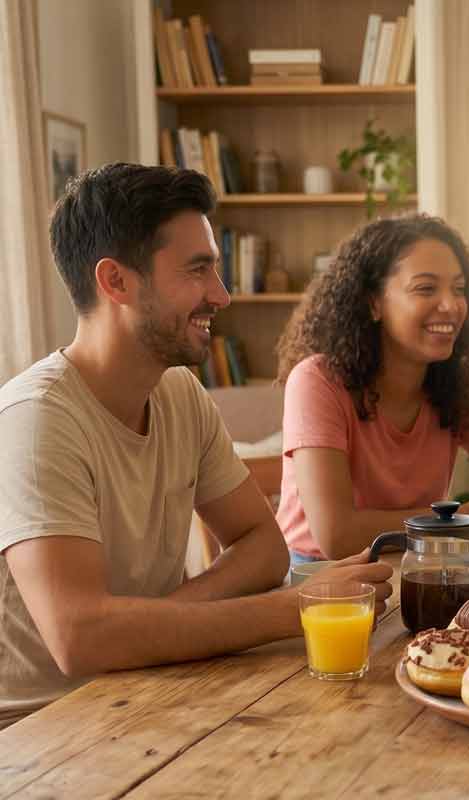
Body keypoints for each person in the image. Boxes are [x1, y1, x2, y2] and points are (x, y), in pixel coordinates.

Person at [0, 163, 393, 730]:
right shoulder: (37, 421)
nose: (222, 294)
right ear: (116, 282)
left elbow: (264, 547)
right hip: (41, 730)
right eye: (198, 270)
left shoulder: (178, 391)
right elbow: (80, 638)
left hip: (149, 688)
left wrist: (153, 621)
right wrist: (292, 610)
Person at [274, 214, 469, 563]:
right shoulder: (317, 381)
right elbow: (338, 537)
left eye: (459, 289)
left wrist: (440, 525)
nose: (451, 305)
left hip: (422, 563)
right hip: (319, 576)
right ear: (373, 302)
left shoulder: (459, 382)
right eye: (426, 288)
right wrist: (453, 521)